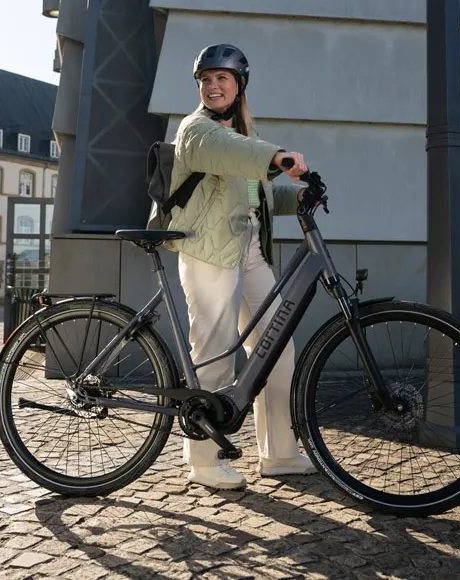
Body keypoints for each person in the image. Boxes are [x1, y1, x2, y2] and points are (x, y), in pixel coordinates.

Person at [163, 43, 316, 490]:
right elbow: (225, 151)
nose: (212, 86)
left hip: (249, 249)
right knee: (215, 351)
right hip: (208, 251)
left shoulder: (245, 136)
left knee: (276, 345)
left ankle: (280, 453)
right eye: (206, 80)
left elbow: (257, 199)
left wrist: (299, 195)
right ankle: (204, 461)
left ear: (239, 85)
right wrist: (279, 156)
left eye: (221, 79)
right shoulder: (197, 130)